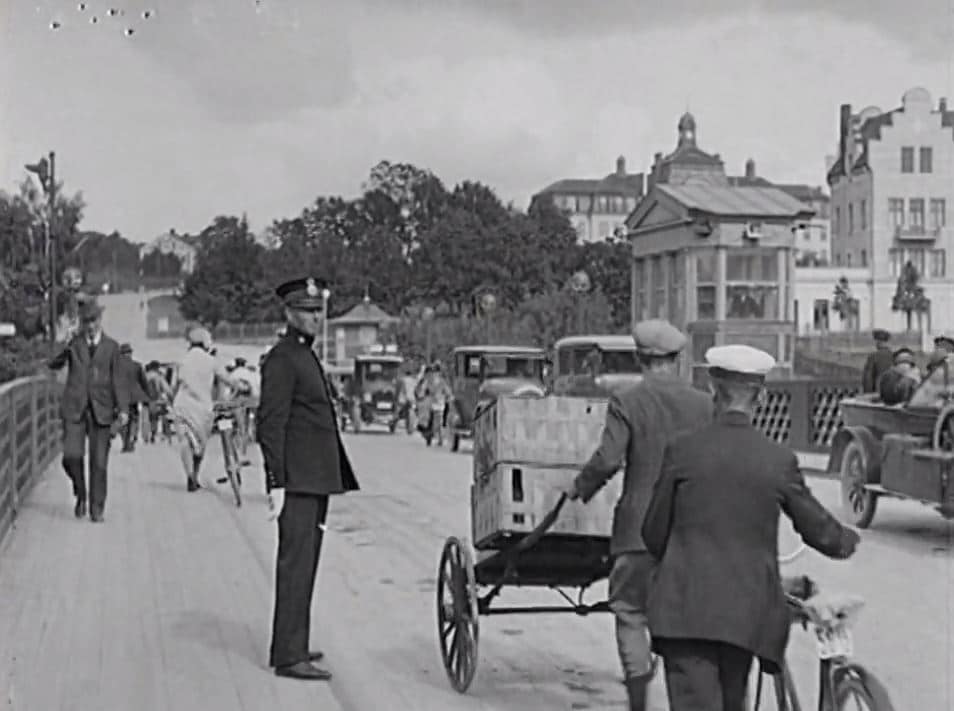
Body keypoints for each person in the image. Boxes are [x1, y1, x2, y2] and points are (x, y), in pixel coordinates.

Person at [641, 344, 861, 711]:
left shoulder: (682, 450)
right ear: (761, 398)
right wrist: (847, 540)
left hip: (685, 613)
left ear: (713, 390)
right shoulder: (777, 459)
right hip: (744, 617)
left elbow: (653, 535)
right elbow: (818, 529)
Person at [564, 319, 713, 711]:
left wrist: (580, 487)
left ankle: (638, 700)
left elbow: (608, 459)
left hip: (638, 534)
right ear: (677, 359)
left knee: (630, 613)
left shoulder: (627, 401)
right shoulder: (705, 404)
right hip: (691, 534)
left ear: (639, 359)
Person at [257, 277, 360, 681]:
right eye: (307, 311)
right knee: (295, 566)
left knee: (306, 564)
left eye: (318, 311)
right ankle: (288, 655)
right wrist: (276, 481)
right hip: (297, 481)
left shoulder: (303, 354)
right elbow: (270, 423)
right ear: (288, 314)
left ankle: (293, 643)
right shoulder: (283, 358)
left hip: (312, 479)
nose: (316, 318)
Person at [47, 299, 129, 522]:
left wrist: (123, 409)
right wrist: (64, 340)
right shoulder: (74, 344)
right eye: (86, 322)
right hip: (75, 409)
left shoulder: (112, 347)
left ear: (100, 320)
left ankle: (97, 507)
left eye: (94, 321)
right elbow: (53, 363)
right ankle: (81, 492)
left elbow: (119, 380)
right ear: (81, 323)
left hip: (102, 410)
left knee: (99, 463)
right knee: (71, 457)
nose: (90, 326)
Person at [171, 327, 241, 492]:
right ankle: (195, 475)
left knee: (184, 441)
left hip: (182, 405)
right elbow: (228, 379)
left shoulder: (182, 360)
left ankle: (190, 476)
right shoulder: (211, 361)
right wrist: (239, 386)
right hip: (202, 408)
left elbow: (174, 386)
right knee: (200, 445)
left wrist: (171, 404)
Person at [118, 343, 150, 452]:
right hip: (134, 397)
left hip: (121, 397)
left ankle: (125, 442)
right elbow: (144, 382)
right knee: (134, 419)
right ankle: (132, 439)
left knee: (122, 419)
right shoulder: (137, 365)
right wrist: (147, 395)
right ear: (130, 353)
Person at [143, 360, 175, 443]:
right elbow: (167, 389)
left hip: (146, 401)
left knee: (148, 418)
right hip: (157, 400)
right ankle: (164, 433)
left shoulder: (144, 376)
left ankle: (147, 436)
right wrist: (172, 398)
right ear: (156, 368)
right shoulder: (159, 376)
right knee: (162, 415)